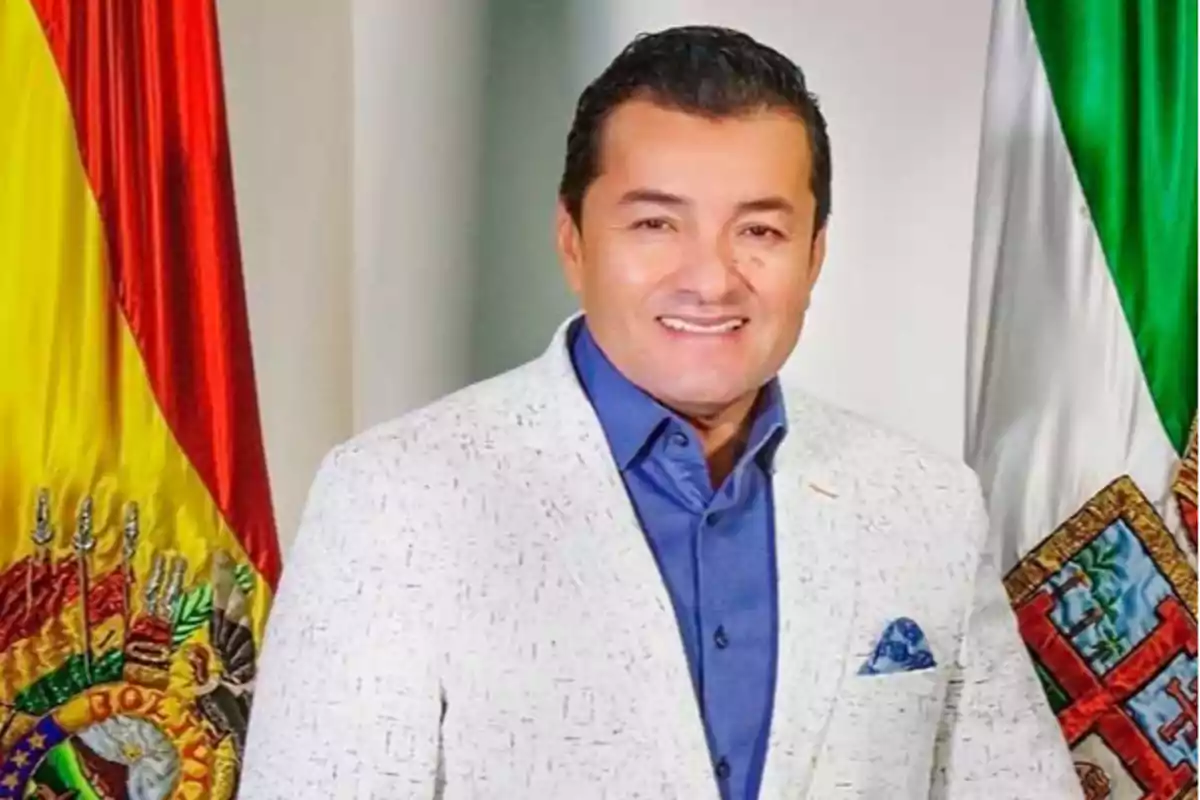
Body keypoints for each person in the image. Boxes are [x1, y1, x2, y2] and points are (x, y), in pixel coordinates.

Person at [239, 25, 1081, 800]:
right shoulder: (396, 499)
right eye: (655, 224)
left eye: (759, 232)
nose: (711, 279)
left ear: (816, 253)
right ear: (572, 238)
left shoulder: (925, 506)